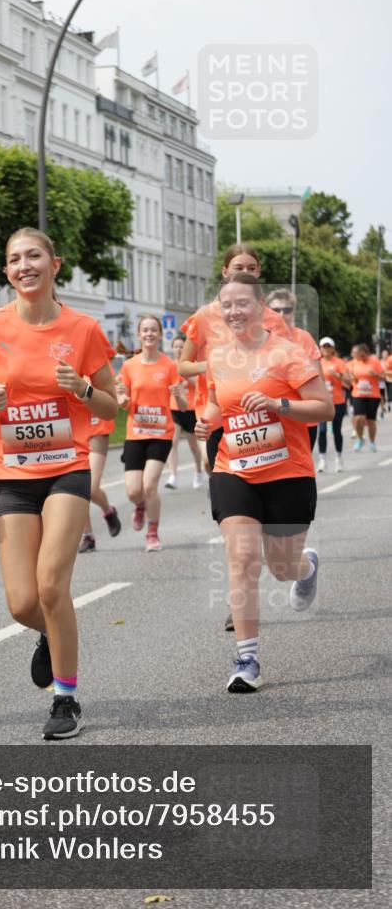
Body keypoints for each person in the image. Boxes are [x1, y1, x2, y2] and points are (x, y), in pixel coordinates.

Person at [0, 228, 117, 740]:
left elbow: (111, 404)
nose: (25, 265)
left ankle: (65, 699)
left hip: (67, 466)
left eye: (34, 256)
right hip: (13, 473)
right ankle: (50, 631)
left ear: (54, 264)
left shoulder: (83, 329)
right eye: (15, 259)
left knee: (50, 584)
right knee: (23, 603)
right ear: (6, 271)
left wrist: (82, 389)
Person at [195, 273, 334, 693]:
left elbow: (324, 408)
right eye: (227, 305)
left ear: (260, 308)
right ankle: (247, 660)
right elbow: (217, 405)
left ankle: (306, 567)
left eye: (242, 303)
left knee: (281, 567)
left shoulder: (289, 353)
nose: (234, 311)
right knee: (242, 559)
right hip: (234, 468)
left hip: (287, 472)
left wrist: (279, 404)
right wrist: (207, 423)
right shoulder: (218, 357)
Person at [178, 244, 290, 633]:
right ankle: (238, 591)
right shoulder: (204, 317)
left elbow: (287, 364)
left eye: (253, 267)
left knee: (264, 511)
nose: (246, 271)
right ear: (225, 271)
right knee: (234, 514)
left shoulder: (273, 319)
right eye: (239, 266)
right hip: (218, 418)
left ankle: (262, 560)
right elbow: (183, 365)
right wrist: (217, 363)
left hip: (261, 418)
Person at [116, 316, 180, 552]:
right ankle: (140, 505)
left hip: (161, 433)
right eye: (145, 330)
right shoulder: (129, 366)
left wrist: (179, 395)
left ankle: (152, 534)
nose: (150, 334)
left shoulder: (169, 366)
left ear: (160, 334)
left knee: (149, 485)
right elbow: (123, 400)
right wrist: (122, 399)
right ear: (139, 334)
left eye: (154, 330)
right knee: (133, 491)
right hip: (136, 433)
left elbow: (182, 403)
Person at [265, 288, 322, 452]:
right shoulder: (257, 338)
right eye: (276, 310)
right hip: (268, 419)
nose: (282, 314)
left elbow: (316, 379)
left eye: (287, 310)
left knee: (299, 466)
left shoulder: (304, 338)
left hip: (302, 419)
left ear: (294, 312)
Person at [78, 410, 122, 553]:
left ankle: (108, 510)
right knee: (76, 486)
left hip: (96, 425)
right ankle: (88, 536)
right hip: (72, 425)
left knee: (90, 487)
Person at [165, 334, 204, 490]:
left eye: (182, 347)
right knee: (172, 442)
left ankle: (198, 471)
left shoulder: (192, 365)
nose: (179, 350)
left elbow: (199, 384)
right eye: (176, 347)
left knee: (193, 445)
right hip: (174, 408)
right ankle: (172, 476)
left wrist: (185, 373)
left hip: (191, 409)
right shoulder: (169, 366)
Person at [317, 337, 350, 472]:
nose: (326, 349)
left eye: (328, 346)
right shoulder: (317, 363)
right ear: (320, 349)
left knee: (336, 430)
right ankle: (322, 460)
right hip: (322, 402)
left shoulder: (339, 363)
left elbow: (348, 382)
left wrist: (336, 374)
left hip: (337, 401)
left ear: (333, 348)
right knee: (322, 431)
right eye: (324, 346)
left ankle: (338, 458)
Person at [349, 344, 385, 451]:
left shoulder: (374, 362)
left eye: (363, 356)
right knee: (358, 418)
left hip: (373, 395)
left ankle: (372, 442)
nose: (361, 358)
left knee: (371, 421)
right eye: (359, 356)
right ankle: (360, 439)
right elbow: (351, 376)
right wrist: (352, 379)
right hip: (358, 394)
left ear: (367, 354)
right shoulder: (354, 363)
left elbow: (383, 377)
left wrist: (375, 375)